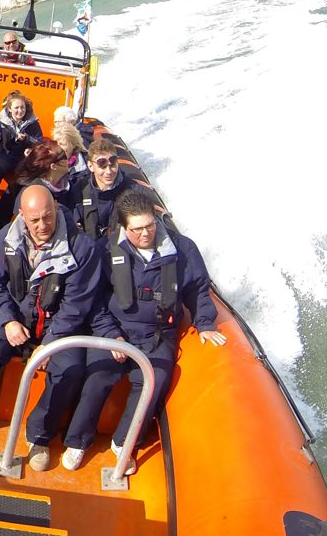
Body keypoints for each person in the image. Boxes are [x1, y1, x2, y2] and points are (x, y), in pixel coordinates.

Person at [0, 185, 101, 472]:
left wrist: (51, 341)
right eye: (34, 220)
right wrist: (7, 319)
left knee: (68, 370)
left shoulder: (81, 248)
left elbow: (76, 303)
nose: (42, 226)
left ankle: (39, 436)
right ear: (22, 215)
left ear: (56, 209)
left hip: (58, 325)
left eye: (47, 217)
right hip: (15, 316)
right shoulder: (5, 240)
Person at [60, 188, 226, 474]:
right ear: (125, 228)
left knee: (154, 382)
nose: (146, 234)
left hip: (158, 334)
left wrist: (205, 323)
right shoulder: (105, 250)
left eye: (150, 225)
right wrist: (111, 334)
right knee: (98, 377)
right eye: (137, 229)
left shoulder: (183, 249)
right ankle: (77, 441)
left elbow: (198, 290)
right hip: (115, 329)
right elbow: (94, 299)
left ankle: (124, 442)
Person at [0, 138, 76, 230]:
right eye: (65, 157)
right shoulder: (29, 192)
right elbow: (19, 229)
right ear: (53, 166)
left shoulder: (67, 186)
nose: (71, 159)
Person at [73, 138, 135, 240]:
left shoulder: (130, 190)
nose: (109, 172)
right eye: (103, 167)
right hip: (91, 247)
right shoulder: (80, 189)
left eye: (112, 165)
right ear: (90, 166)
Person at [0, 91, 43, 200]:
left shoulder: (33, 122)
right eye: (16, 108)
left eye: (22, 108)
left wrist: (28, 142)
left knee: (21, 181)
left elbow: (39, 143)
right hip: (3, 156)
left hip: (22, 159)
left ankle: (2, 216)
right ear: (9, 109)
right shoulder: (1, 121)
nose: (20, 111)